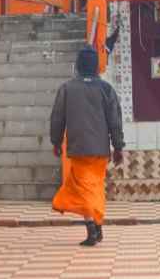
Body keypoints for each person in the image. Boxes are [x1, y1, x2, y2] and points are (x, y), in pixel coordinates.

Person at [49, 46, 125, 246]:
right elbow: (115, 121)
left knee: (85, 190)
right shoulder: (106, 89)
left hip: (79, 148)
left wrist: (56, 141)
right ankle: (96, 228)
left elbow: (57, 118)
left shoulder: (67, 88)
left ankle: (93, 229)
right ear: (96, 66)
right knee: (93, 188)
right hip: (100, 150)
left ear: (79, 65)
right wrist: (118, 147)